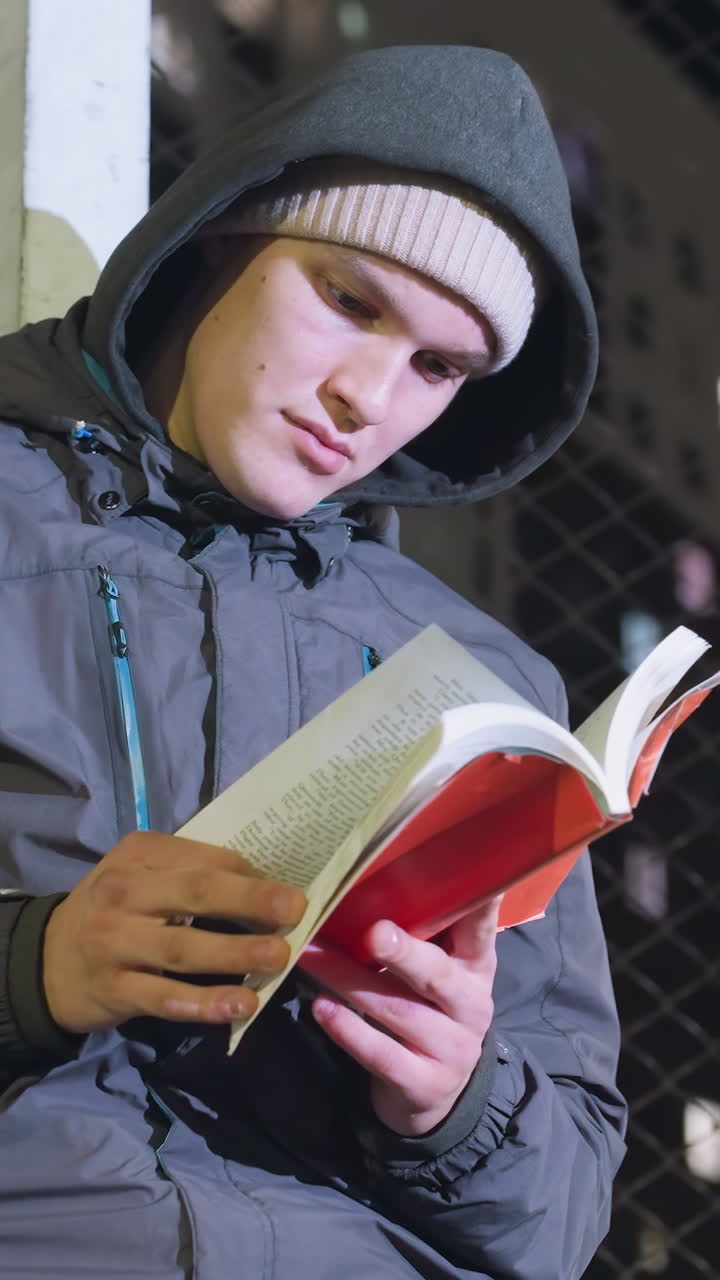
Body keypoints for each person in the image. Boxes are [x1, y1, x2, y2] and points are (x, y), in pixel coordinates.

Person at [0, 42, 626, 1279]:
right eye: (350, 300)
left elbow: (566, 1211)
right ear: (222, 237)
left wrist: (453, 1102)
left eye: (438, 366)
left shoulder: (485, 682)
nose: (367, 397)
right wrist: (38, 962)